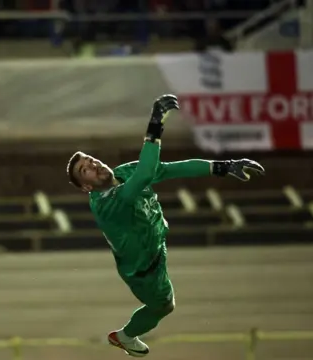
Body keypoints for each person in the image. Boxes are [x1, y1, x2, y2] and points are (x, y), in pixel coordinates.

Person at [65, 94, 265, 357]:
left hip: (155, 246)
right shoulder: (106, 204)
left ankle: (125, 336)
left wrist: (223, 166)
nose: (93, 164)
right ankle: (124, 336)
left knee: (166, 304)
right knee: (164, 306)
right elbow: (147, 173)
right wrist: (155, 123)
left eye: (90, 160)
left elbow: (169, 169)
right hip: (143, 272)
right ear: (87, 187)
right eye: (85, 170)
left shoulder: (124, 172)